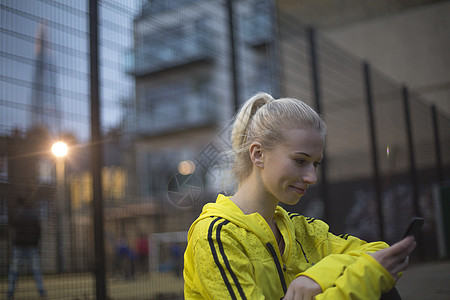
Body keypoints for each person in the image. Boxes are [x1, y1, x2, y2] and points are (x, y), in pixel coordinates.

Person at [183, 92, 416, 299]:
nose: (312, 177)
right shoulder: (216, 236)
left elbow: (379, 253)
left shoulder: (302, 230)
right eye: (300, 161)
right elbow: (374, 271)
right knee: (370, 280)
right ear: (258, 154)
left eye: (316, 164)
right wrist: (357, 283)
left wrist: (318, 276)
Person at [7, 197, 47, 299]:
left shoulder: (18, 214)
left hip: (19, 245)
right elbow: (39, 231)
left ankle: (10, 293)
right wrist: (37, 244)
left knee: (14, 271)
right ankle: (42, 292)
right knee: (36, 270)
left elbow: (11, 224)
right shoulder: (34, 215)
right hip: (32, 246)